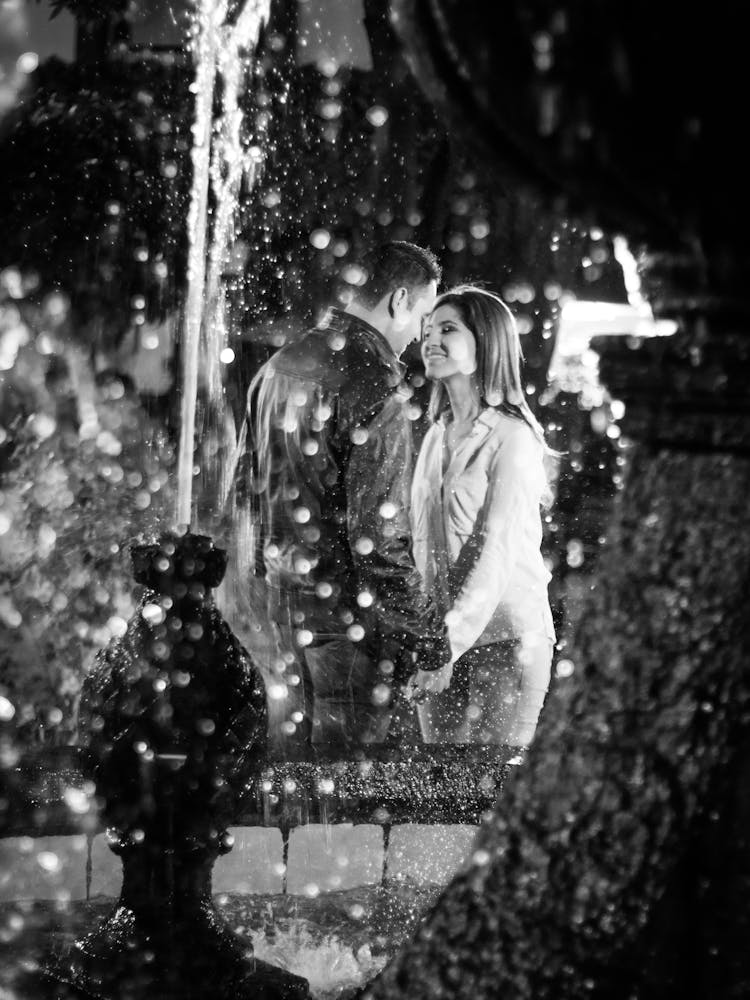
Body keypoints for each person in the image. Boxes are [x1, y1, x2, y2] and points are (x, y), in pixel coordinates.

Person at [228, 241, 451, 747]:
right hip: (350, 622)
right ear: (399, 300)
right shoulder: (376, 383)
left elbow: (245, 492)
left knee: (297, 783)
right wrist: (430, 642)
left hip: (280, 609)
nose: (419, 335)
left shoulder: (276, 367)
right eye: (421, 315)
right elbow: (380, 538)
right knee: (356, 796)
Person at [408, 285, 556, 746]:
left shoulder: (513, 438)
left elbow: (495, 551)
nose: (431, 340)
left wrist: (443, 645)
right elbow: (422, 544)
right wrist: (425, 633)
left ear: (486, 342)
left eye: (448, 329)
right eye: (428, 329)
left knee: (494, 794)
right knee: (438, 795)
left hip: (508, 636)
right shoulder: (435, 435)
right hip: (441, 636)